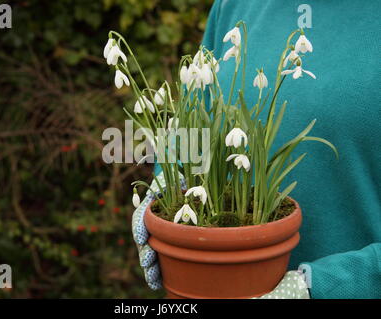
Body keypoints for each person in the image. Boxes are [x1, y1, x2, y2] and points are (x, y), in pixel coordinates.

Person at [132, 0, 381, 298]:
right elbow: (195, 111)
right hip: (214, 284)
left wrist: (324, 288)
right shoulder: (234, 5)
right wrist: (167, 184)